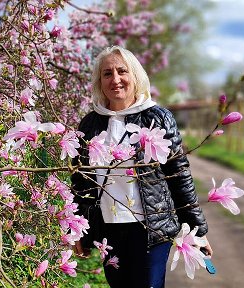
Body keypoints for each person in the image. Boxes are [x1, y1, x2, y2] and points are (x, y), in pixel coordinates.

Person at [71, 45, 212, 288]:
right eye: (107, 73)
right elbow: (81, 182)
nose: (115, 79)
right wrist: (79, 232)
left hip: (150, 229)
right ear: (99, 81)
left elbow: (179, 175)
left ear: (135, 76)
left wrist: (198, 230)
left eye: (122, 71)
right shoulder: (90, 123)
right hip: (109, 229)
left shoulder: (157, 117)